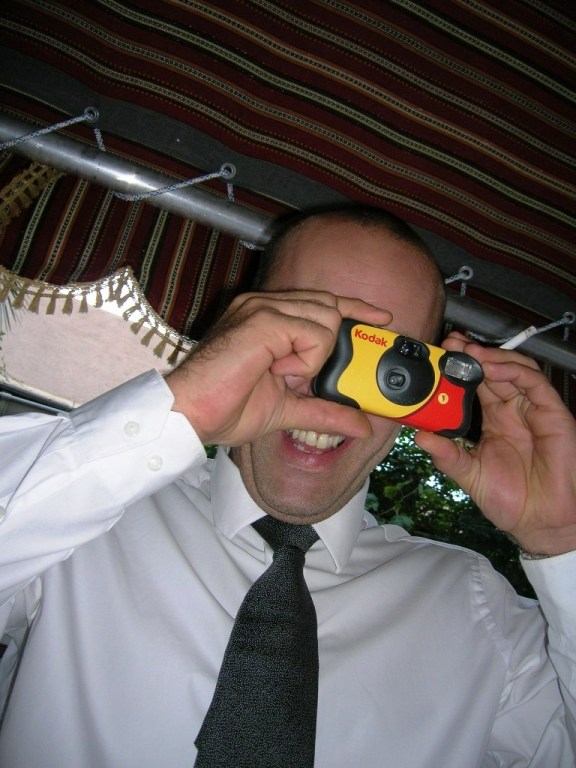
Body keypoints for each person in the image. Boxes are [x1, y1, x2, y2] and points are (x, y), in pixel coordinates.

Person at [0, 204, 574, 767]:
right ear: (238, 334)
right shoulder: (80, 513)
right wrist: (181, 408)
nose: (328, 392)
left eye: (385, 368)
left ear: (423, 395)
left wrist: (563, 540)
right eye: (304, 334)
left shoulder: (478, 610)